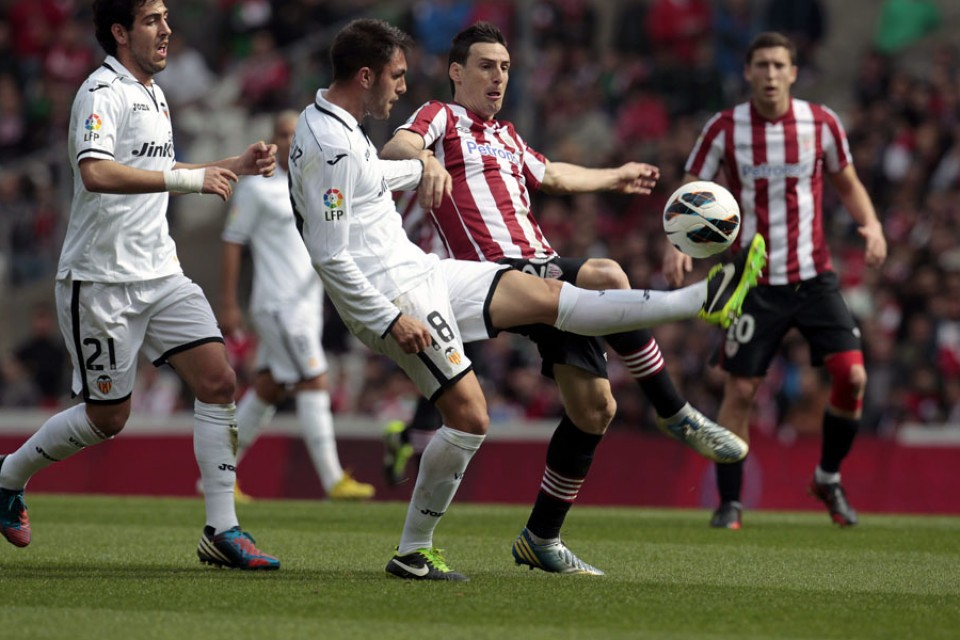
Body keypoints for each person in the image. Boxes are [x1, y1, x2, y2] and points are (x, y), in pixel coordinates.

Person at [288, 17, 766, 580]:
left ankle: (541, 537)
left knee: (596, 410)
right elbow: (400, 145)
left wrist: (615, 175)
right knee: (607, 274)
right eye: (486, 67)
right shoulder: (438, 117)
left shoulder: (506, 136)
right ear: (456, 72)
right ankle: (677, 399)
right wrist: (425, 159)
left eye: (506, 69)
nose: (498, 79)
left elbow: (554, 174)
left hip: (488, 271)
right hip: (497, 266)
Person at [0, 0, 279, 570]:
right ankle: (6, 477)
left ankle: (222, 530)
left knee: (219, 380)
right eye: (153, 20)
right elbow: (95, 172)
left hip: (161, 273)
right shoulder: (100, 92)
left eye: (167, 18)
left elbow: (157, 171)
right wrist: (190, 179)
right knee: (108, 418)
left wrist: (237, 164)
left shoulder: (155, 93)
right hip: (101, 282)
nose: (167, 29)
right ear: (121, 32)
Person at [663, 31, 888, 530]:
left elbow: (847, 183)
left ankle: (827, 476)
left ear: (793, 72)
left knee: (852, 376)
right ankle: (730, 503)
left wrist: (871, 226)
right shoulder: (724, 128)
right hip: (752, 281)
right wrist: (674, 246)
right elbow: (690, 191)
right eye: (761, 65)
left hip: (814, 277)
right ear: (748, 72)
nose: (769, 74)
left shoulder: (821, 123)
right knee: (740, 390)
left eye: (778, 65)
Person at [219, 110, 375, 501]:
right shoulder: (257, 188)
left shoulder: (311, 185)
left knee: (269, 388)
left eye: (295, 134)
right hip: (278, 303)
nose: (289, 141)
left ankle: (217, 476)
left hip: (306, 305)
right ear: (272, 141)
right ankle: (332, 479)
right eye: (282, 134)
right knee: (314, 378)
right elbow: (233, 241)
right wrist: (228, 302)